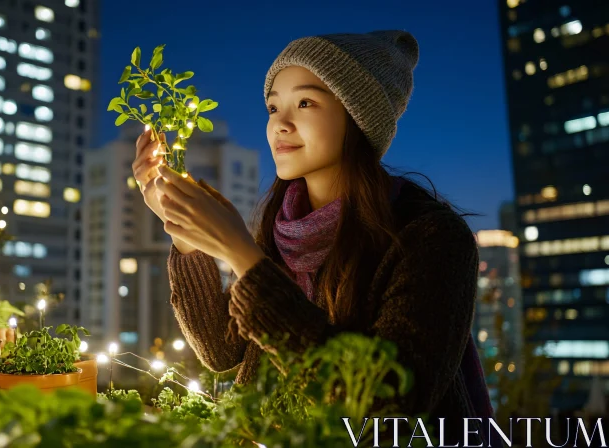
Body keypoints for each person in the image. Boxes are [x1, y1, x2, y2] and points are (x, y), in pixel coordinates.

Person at [131, 30, 493, 432]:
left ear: (357, 119)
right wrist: (183, 230)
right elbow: (219, 351)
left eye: (305, 102)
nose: (279, 125)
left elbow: (391, 403)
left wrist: (241, 255)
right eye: (272, 107)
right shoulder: (284, 227)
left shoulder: (432, 238)